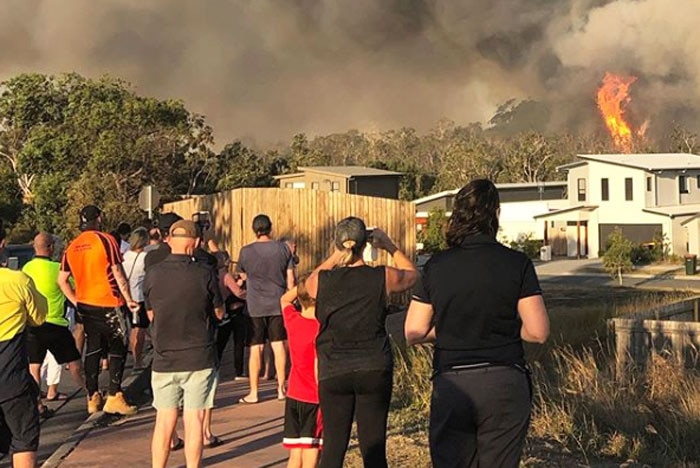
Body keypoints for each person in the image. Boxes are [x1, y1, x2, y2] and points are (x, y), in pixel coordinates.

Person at [404, 179, 550, 468]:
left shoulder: (436, 266)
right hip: (504, 380)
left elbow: (414, 331)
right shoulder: (517, 263)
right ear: (495, 214)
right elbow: (538, 331)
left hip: (453, 383)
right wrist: (507, 327)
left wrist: (448, 329)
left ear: (457, 215)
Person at [305, 217, 417, 468]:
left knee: (333, 447)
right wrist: (388, 245)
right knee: (373, 448)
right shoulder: (382, 276)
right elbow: (412, 275)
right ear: (366, 244)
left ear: (338, 243)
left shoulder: (322, 281)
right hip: (373, 365)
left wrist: (337, 254)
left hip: (333, 369)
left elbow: (309, 284)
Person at [144, 220, 224, 468]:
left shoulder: (153, 274)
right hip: (199, 356)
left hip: (165, 356)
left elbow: (150, 314)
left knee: (164, 420)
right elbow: (219, 313)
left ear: (169, 240)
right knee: (195, 420)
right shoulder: (204, 273)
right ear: (197, 243)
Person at [58, 205, 140, 415]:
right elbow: (117, 271)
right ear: (99, 218)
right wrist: (129, 298)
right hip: (109, 301)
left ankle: (92, 396)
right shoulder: (105, 240)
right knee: (117, 346)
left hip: (86, 304)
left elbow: (62, 280)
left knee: (93, 347)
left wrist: (76, 300)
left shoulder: (72, 247)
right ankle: (114, 394)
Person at [0, 221, 48, 468]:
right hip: (11, 380)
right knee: (23, 440)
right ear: (2, 244)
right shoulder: (18, 280)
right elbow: (39, 317)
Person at [22, 233, 85, 417]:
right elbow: (74, 288)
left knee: (35, 365)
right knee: (74, 362)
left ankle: (37, 404)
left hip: (33, 324)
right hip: (55, 324)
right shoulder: (57, 268)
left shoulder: (26, 268)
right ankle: (90, 393)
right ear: (50, 248)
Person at [237, 214, 295, 404]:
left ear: (254, 229)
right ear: (271, 228)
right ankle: (281, 388)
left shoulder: (246, 251)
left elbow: (243, 275)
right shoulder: (283, 249)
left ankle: (253, 392)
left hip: (255, 305)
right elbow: (291, 279)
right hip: (278, 303)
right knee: (279, 346)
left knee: (256, 348)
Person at [280, 274, 322, 468]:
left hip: (294, 394)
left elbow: (284, 299)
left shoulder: (292, 320)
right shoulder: (322, 329)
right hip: (314, 397)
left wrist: (303, 287)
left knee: (295, 451)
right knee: (312, 449)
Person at [214, 251, 248, 379]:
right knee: (238, 341)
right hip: (233, 311)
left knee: (220, 342)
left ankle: (215, 366)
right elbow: (238, 292)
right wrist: (250, 295)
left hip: (220, 310)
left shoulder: (213, 274)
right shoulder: (226, 275)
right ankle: (238, 371)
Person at [122, 227, 150, 369]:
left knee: (133, 327)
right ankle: (138, 361)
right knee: (139, 329)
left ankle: (136, 358)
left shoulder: (125, 255)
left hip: (126, 296)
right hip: (138, 297)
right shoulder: (145, 257)